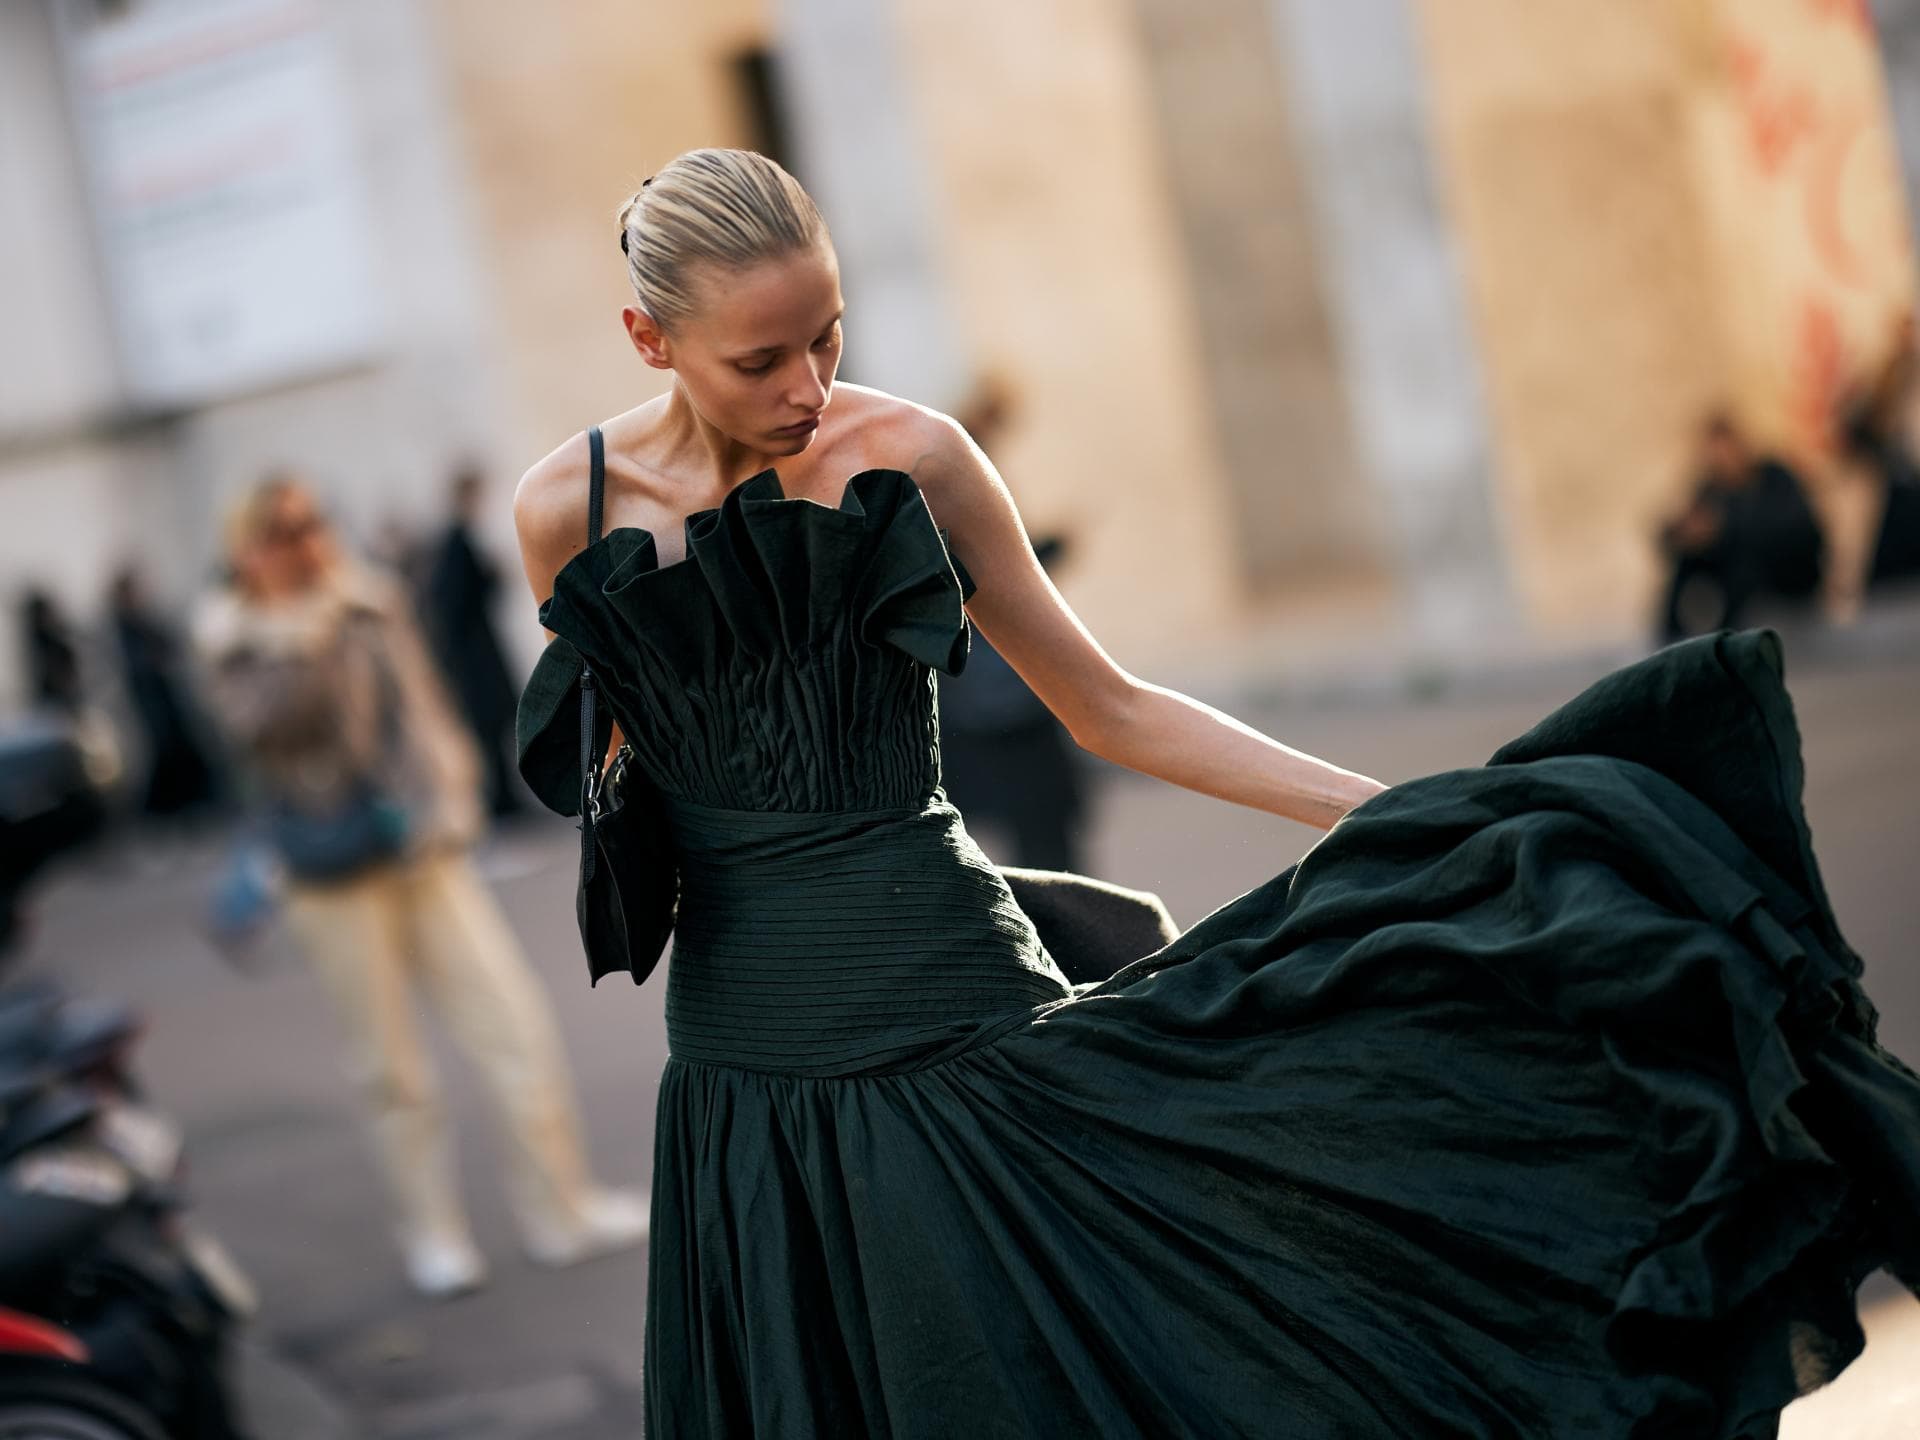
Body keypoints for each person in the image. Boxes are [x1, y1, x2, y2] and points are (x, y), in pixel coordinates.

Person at [512, 150, 1920, 1436]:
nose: (808, 387)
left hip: (955, 1015)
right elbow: (633, 797)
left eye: (829, 335)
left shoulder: (914, 460)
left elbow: (1112, 706)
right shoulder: (561, 515)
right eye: (762, 359)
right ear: (650, 340)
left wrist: (1399, 811)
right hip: (742, 1068)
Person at [194, 474, 645, 1299]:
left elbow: (424, 706)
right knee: (390, 1067)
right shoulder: (233, 638)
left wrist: (453, 792)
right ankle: (433, 1234)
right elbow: (265, 731)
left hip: (423, 853)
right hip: (329, 873)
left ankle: (562, 1209)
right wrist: (306, 634)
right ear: (249, 548)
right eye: (284, 528)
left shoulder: (368, 601)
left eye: (312, 519)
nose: (306, 540)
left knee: (514, 1026)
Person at [938, 374, 1087, 870]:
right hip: (999, 688)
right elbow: (993, 573)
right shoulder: (960, 481)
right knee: (1037, 840)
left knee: (1032, 838)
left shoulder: (963, 478)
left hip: (995, 687)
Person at [1656, 410, 1824, 642]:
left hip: (1787, 571)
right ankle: (1669, 641)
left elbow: (1796, 531)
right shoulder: (1712, 489)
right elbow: (1680, 531)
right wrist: (1685, 534)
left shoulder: (1774, 477)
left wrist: (1725, 530)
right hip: (1740, 572)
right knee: (1688, 561)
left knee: (1744, 563)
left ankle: (1730, 642)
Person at [423, 465, 528, 819]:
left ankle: (505, 799)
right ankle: (501, 802)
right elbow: (457, 599)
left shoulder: (458, 539)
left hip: (477, 651)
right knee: (491, 725)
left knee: (496, 724)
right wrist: (492, 576)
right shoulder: (458, 540)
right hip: (476, 656)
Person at [108, 566, 223, 824]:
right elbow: (136, 664)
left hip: (164, 699)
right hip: (150, 703)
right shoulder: (123, 626)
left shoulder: (142, 619)